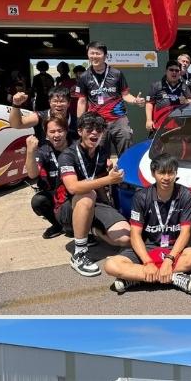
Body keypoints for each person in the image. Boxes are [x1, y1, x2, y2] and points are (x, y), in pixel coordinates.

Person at [103, 154, 191, 295]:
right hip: (146, 248)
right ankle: (173, 278)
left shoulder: (186, 195)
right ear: (153, 174)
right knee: (111, 265)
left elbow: (185, 232)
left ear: (176, 173)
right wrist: (148, 262)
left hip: (172, 248)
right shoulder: (141, 196)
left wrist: (169, 259)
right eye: (161, 172)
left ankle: (136, 279)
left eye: (170, 172)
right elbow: (135, 234)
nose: (166, 177)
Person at [60, 112, 131, 277]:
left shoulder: (101, 153)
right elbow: (73, 188)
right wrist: (109, 179)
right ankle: (79, 254)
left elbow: (99, 182)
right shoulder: (67, 156)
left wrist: (108, 205)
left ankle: (93, 229)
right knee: (87, 194)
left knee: (125, 239)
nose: (94, 133)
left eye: (99, 129)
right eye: (89, 128)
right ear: (79, 131)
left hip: (94, 204)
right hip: (68, 208)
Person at [74, 42, 143, 157]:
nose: (94, 56)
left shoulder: (117, 74)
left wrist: (135, 100)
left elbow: (125, 95)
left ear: (105, 56)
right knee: (98, 153)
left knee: (126, 141)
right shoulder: (84, 77)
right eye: (92, 53)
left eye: (98, 53)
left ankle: (126, 171)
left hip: (118, 119)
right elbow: (82, 101)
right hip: (96, 121)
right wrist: (80, 123)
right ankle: (103, 174)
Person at [24, 118, 72, 240]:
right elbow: (32, 174)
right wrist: (30, 152)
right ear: (46, 135)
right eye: (52, 131)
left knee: (70, 226)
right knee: (38, 201)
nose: (56, 135)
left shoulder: (76, 147)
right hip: (54, 194)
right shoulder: (43, 151)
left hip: (73, 194)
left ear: (66, 131)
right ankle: (57, 225)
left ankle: (79, 229)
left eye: (60, 131)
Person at [9, 88, 78, 140]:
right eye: (55, 101)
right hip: (44, 156)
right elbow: (16, 125)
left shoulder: (76, 121)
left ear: (69, 103)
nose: (58, 104)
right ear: (49, 102)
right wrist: (16, 105)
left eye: (62, 101)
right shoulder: (39, 116)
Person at [146, 61, 191, 133]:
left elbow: (190, 101)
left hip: (179, 126)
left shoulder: (184, 86)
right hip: (160, 125)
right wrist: (149, 120)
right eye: (171, 70)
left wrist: (186, 101)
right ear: (166, 71)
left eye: (177, 70)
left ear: (179, 73)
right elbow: (149, 103)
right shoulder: (156, 85)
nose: (174, 72)